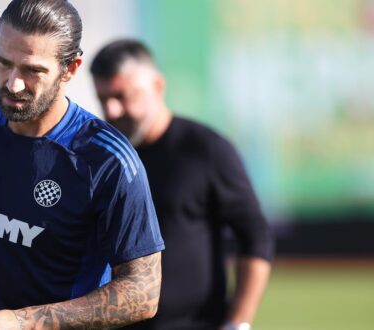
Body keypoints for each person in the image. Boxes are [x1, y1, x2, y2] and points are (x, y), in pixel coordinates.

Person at [0, 2, 165, 330]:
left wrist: (24, 322)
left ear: (70, 68)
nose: (13, 84)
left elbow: (143, 292)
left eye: (32, 70)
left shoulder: (108, 159)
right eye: (3, 62)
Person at [90, 39, 274, 330]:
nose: (112, 110)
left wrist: (237, 323)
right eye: (103, 99)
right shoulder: (103, 158)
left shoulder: (206, 150)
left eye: (122, 96)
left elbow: (255, 236)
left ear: (158, 86)